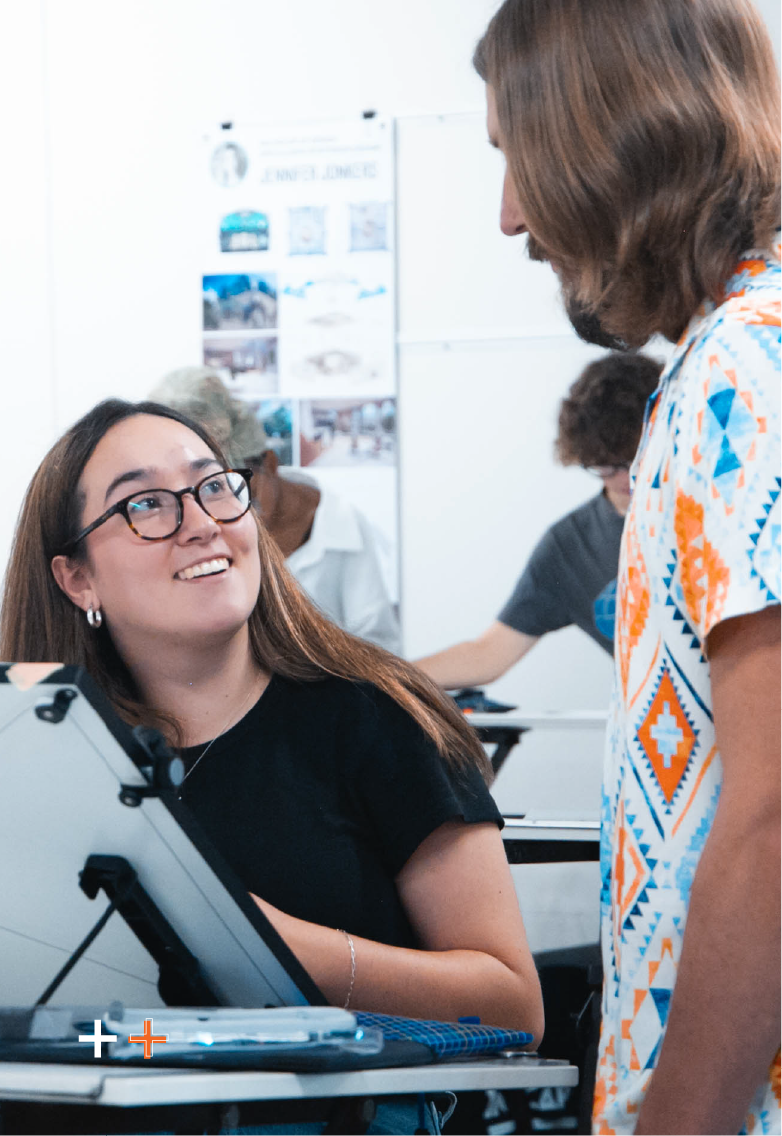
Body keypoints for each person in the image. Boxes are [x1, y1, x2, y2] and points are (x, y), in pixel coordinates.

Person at [473, 1, 780, 1132]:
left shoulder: (739, 370)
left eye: (516, 158)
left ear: (610, 142)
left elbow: (773, 817)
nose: (509, 216)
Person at [0, 399, 542, 1037]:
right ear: (76, 579)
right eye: (145, 503)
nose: (202, 523)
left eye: (213, 486)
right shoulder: (41, 757)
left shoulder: (379, 716)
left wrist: (258, 944)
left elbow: (514, 1007)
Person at [416, 352, 662, 689]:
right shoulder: (570, 546)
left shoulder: (708, 519)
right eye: (606, 464)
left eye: (635, 458)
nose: (625, 477)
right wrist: (375, 680)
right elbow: (487, 654)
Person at [151, 368, 401, 654]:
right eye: (210, 492)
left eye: (238, 487)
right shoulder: (199, 530)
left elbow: (380, 650)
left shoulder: (339, 526)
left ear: (269, 463)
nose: (232, 512)